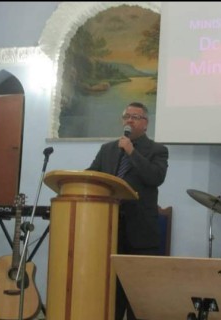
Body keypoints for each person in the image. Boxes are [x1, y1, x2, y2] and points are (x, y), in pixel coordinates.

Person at [87, 101, 169, 320]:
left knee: (138, 297)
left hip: (141, 233)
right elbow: (91, 176)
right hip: (110, 230)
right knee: (111, 296)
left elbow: (154, 177)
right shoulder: (107, 149)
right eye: (126, 116)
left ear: (145, 124)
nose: (129, 120)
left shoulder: (157, 150)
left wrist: (132, 152)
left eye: (135, 117)